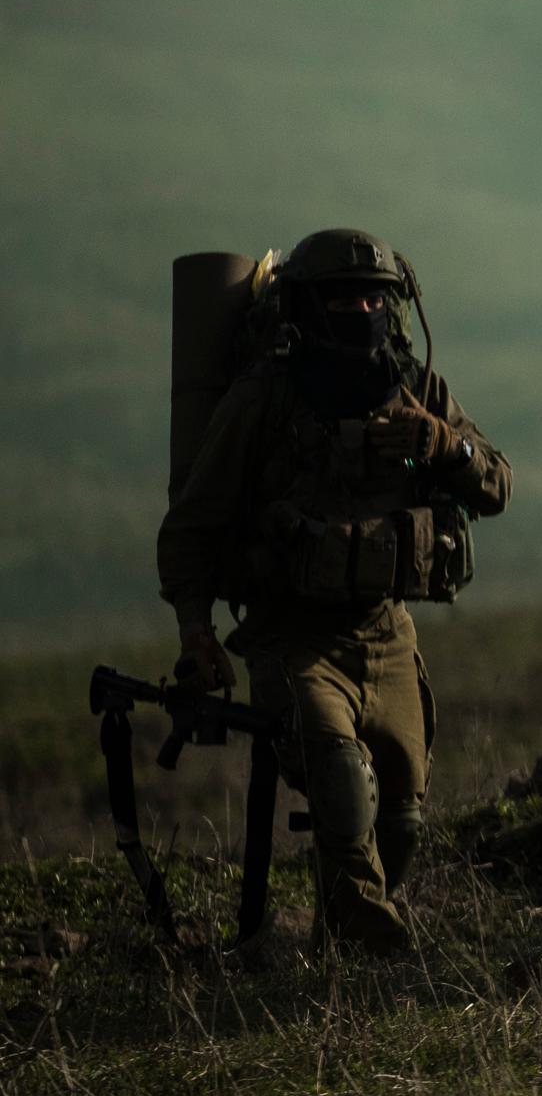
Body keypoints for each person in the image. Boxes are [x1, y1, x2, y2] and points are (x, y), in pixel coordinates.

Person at [157, 229, 511, 953]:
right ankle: (384, 973)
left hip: (387, 633)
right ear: (305, 310)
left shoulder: (416, 390)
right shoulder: (266, 402)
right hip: (294, 635)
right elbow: (191, 527)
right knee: (343, 791)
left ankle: (335, 953)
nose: (360, 309)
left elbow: (498, 482)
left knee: (402, 825)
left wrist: (445, 444)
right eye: (343, 298)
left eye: (374, 297)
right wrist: (197, 632)